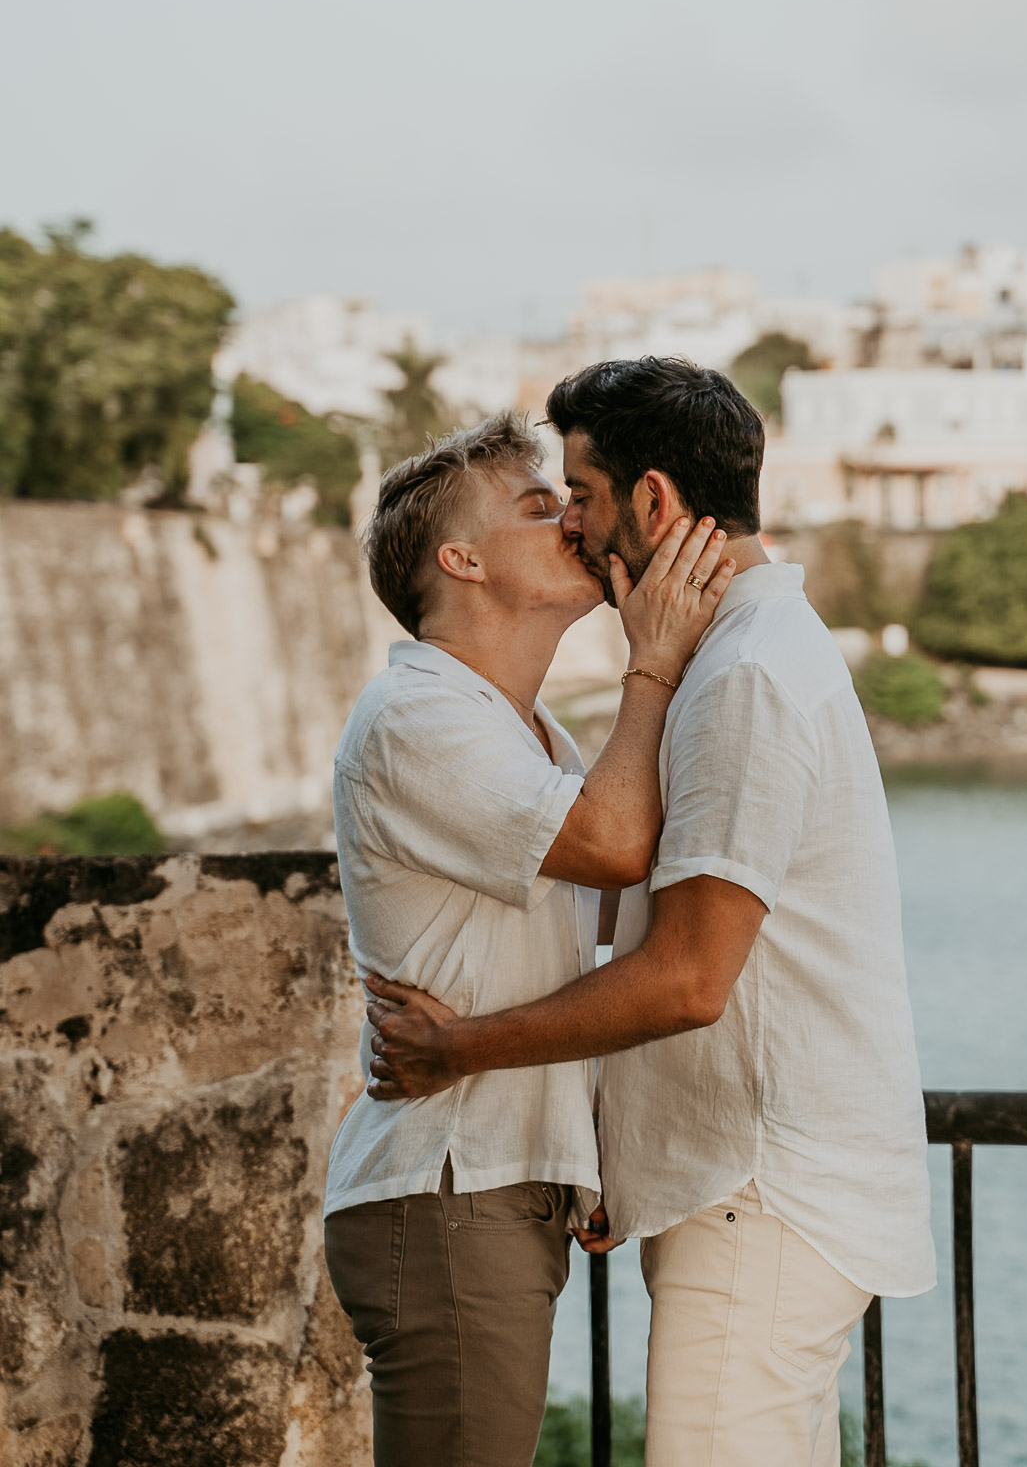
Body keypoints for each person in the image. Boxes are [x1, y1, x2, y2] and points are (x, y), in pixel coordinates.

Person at [365, 357, 936, 1467]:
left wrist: (459, 1046)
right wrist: (623, 1150)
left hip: (760, 1192)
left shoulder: (741, 675)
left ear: (657, 503)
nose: (576, 526)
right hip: (744, 1187)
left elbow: (686, 978)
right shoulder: (742, 658)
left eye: (578, 495)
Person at [323, 409, 734, 1467]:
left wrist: (589, 1151)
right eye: (537, 506)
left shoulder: (525, 733)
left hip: (490, 1185)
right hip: (446, 1185)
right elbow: (609, 845)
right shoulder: (418, 712)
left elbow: (615, 909)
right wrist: (655, 659)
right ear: (460, 560)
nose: (569, 523)